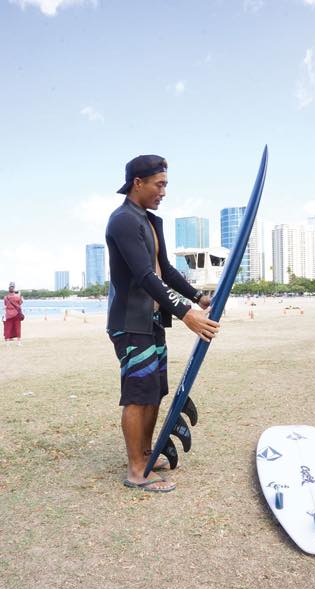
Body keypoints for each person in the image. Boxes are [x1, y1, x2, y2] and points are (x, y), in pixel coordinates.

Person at [106, 154, 220, 493]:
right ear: (137, 183)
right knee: (137, 395)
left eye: (166, 184)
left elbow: (165, 271)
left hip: (153, 320)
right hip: (130, 322)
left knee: (154, 391)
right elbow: (143, 275)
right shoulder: (123, 220)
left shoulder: (150, 222)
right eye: (160, 184)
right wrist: (186, 313)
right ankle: (135, 471)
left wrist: (197, 296)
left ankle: (146, 452)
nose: (164, 192)